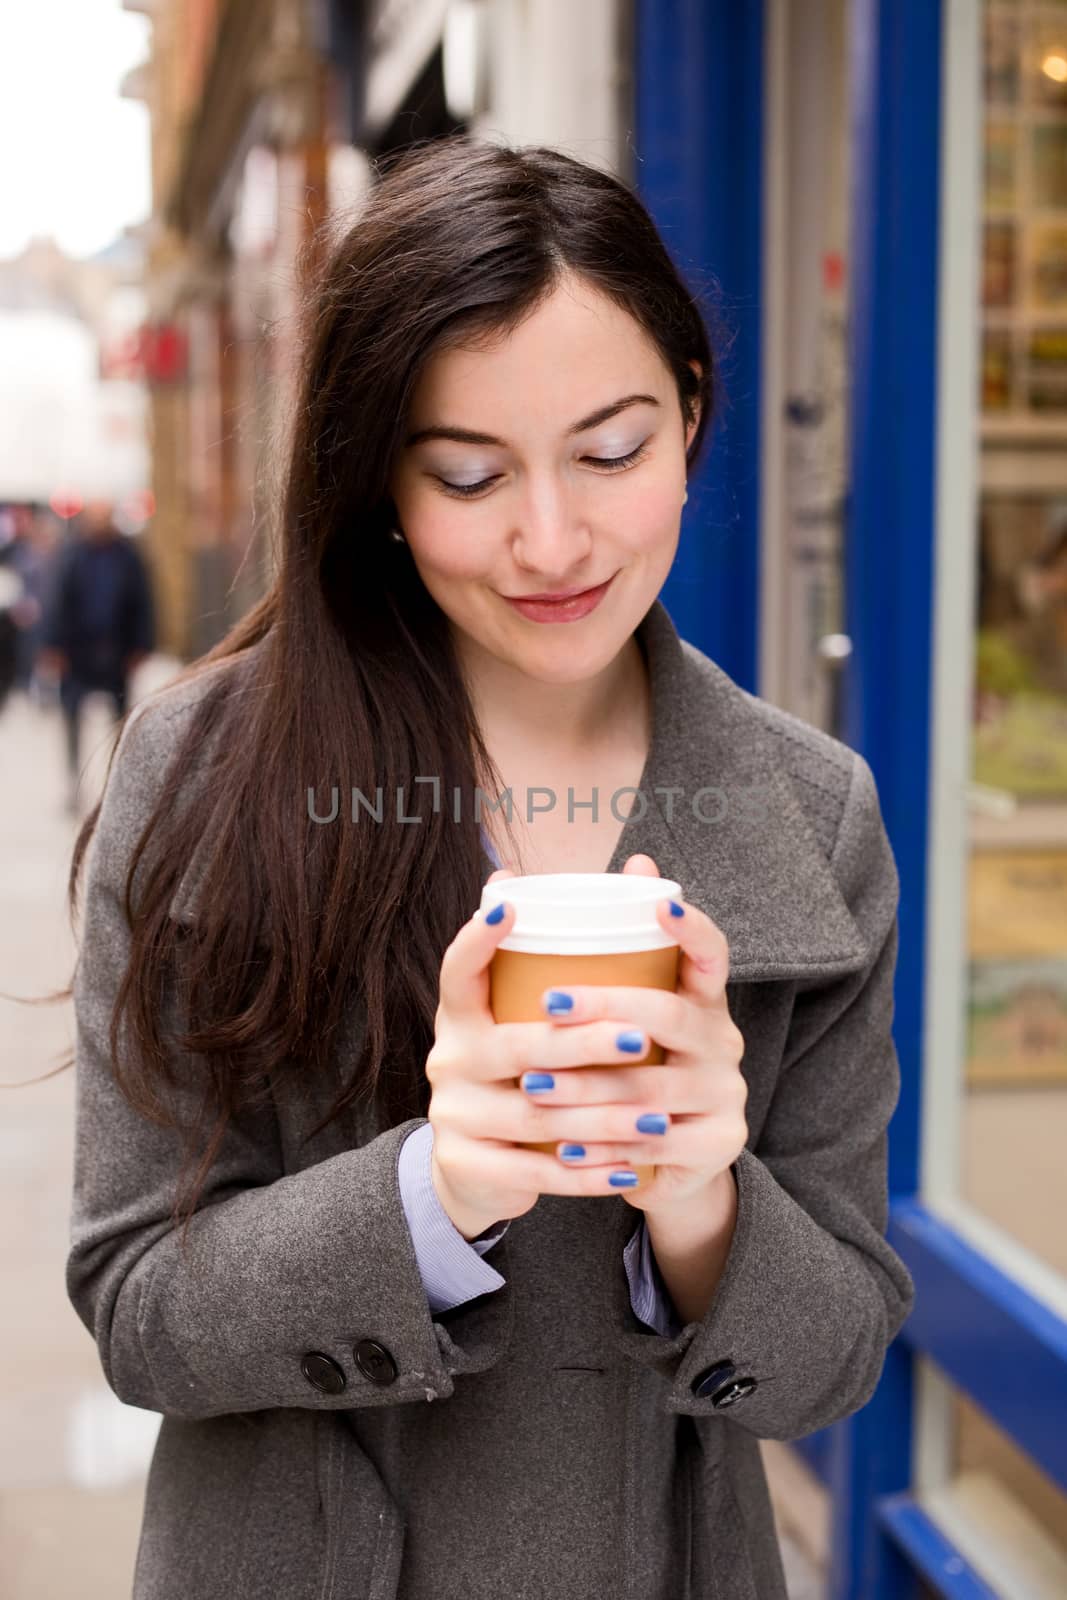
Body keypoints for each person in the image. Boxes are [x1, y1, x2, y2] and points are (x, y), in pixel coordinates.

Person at [59, 138, 914, 1599]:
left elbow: (831, 1362)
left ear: (692, 420)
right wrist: (427, 1191)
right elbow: (137, 1308)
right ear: (380, 479)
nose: (550, 538)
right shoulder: (201, 774)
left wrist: (703, 1198)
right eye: (467, 473)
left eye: (611, 451)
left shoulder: (809, 811)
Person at [38, 497, 155, 812]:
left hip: (116, 650)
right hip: (78, 652)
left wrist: (142, 645)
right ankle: (74, 781)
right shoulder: (71, 555)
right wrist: (53, 647)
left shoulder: (128, 555)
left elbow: (143, 601)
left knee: (120, 719)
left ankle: (116, 780)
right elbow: (57, 602)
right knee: (72, 717)